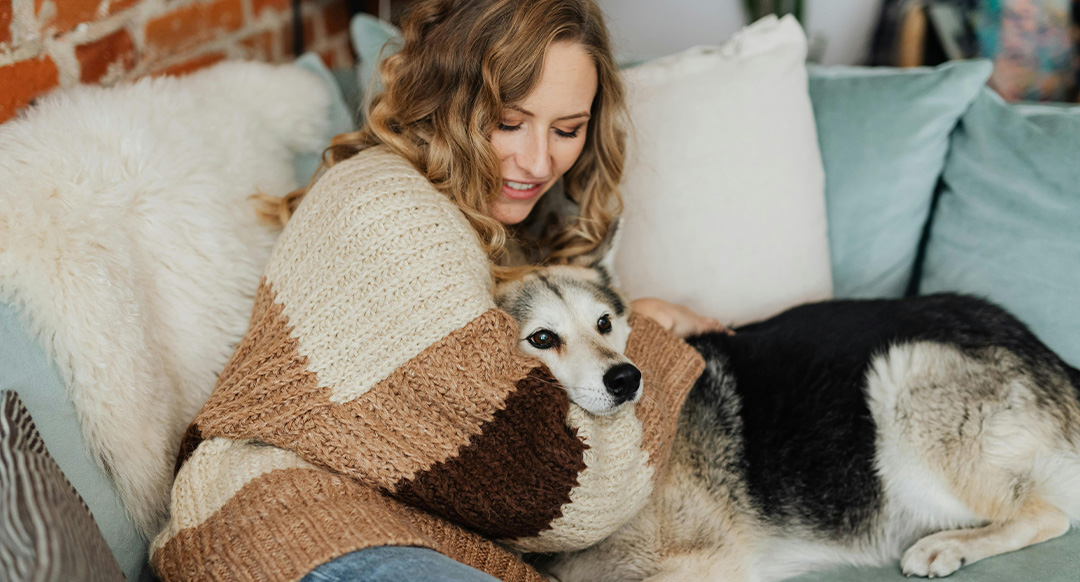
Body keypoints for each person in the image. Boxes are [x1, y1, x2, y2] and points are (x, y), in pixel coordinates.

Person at [151, 1, 717, 581]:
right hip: (298, 527)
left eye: (567, 129)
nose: (539, 160)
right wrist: (645, 342)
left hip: (385, 532)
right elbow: (567, 487)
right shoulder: (395, 214)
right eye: (508, 122)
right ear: (446, 99)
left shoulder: (500, 231)